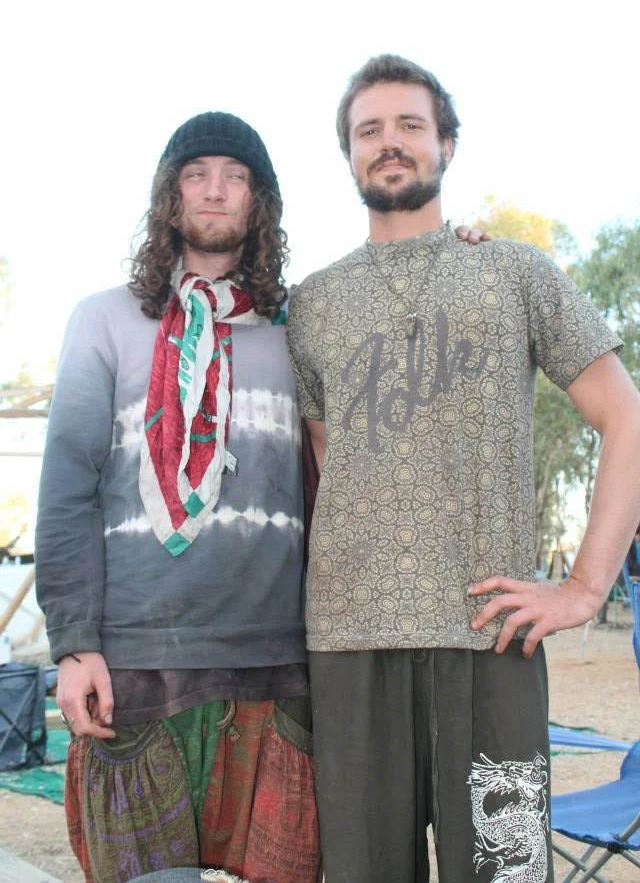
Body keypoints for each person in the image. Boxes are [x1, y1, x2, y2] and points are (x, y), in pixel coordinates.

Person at [286, 54, 640, 883]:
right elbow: (329, 468)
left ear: (447, 143)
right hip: (350, 649)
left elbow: (626, 416)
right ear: (347, 155)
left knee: (508, 875)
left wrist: (586, 585)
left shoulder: (514, 273)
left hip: (493, 644)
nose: (390, 143)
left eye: (411, 125)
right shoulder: (312, 305)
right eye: (368, 130)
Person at [35, 112, 321, 883]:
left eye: (236, 177)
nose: (216, 191)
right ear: (169, 198)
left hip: (276, 662)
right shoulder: (103, 320)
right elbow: (67, 487)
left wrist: (461, 243)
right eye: (197, 175)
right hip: (136, 664)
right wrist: (73, 644)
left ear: (261, 203)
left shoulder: (304, 326)